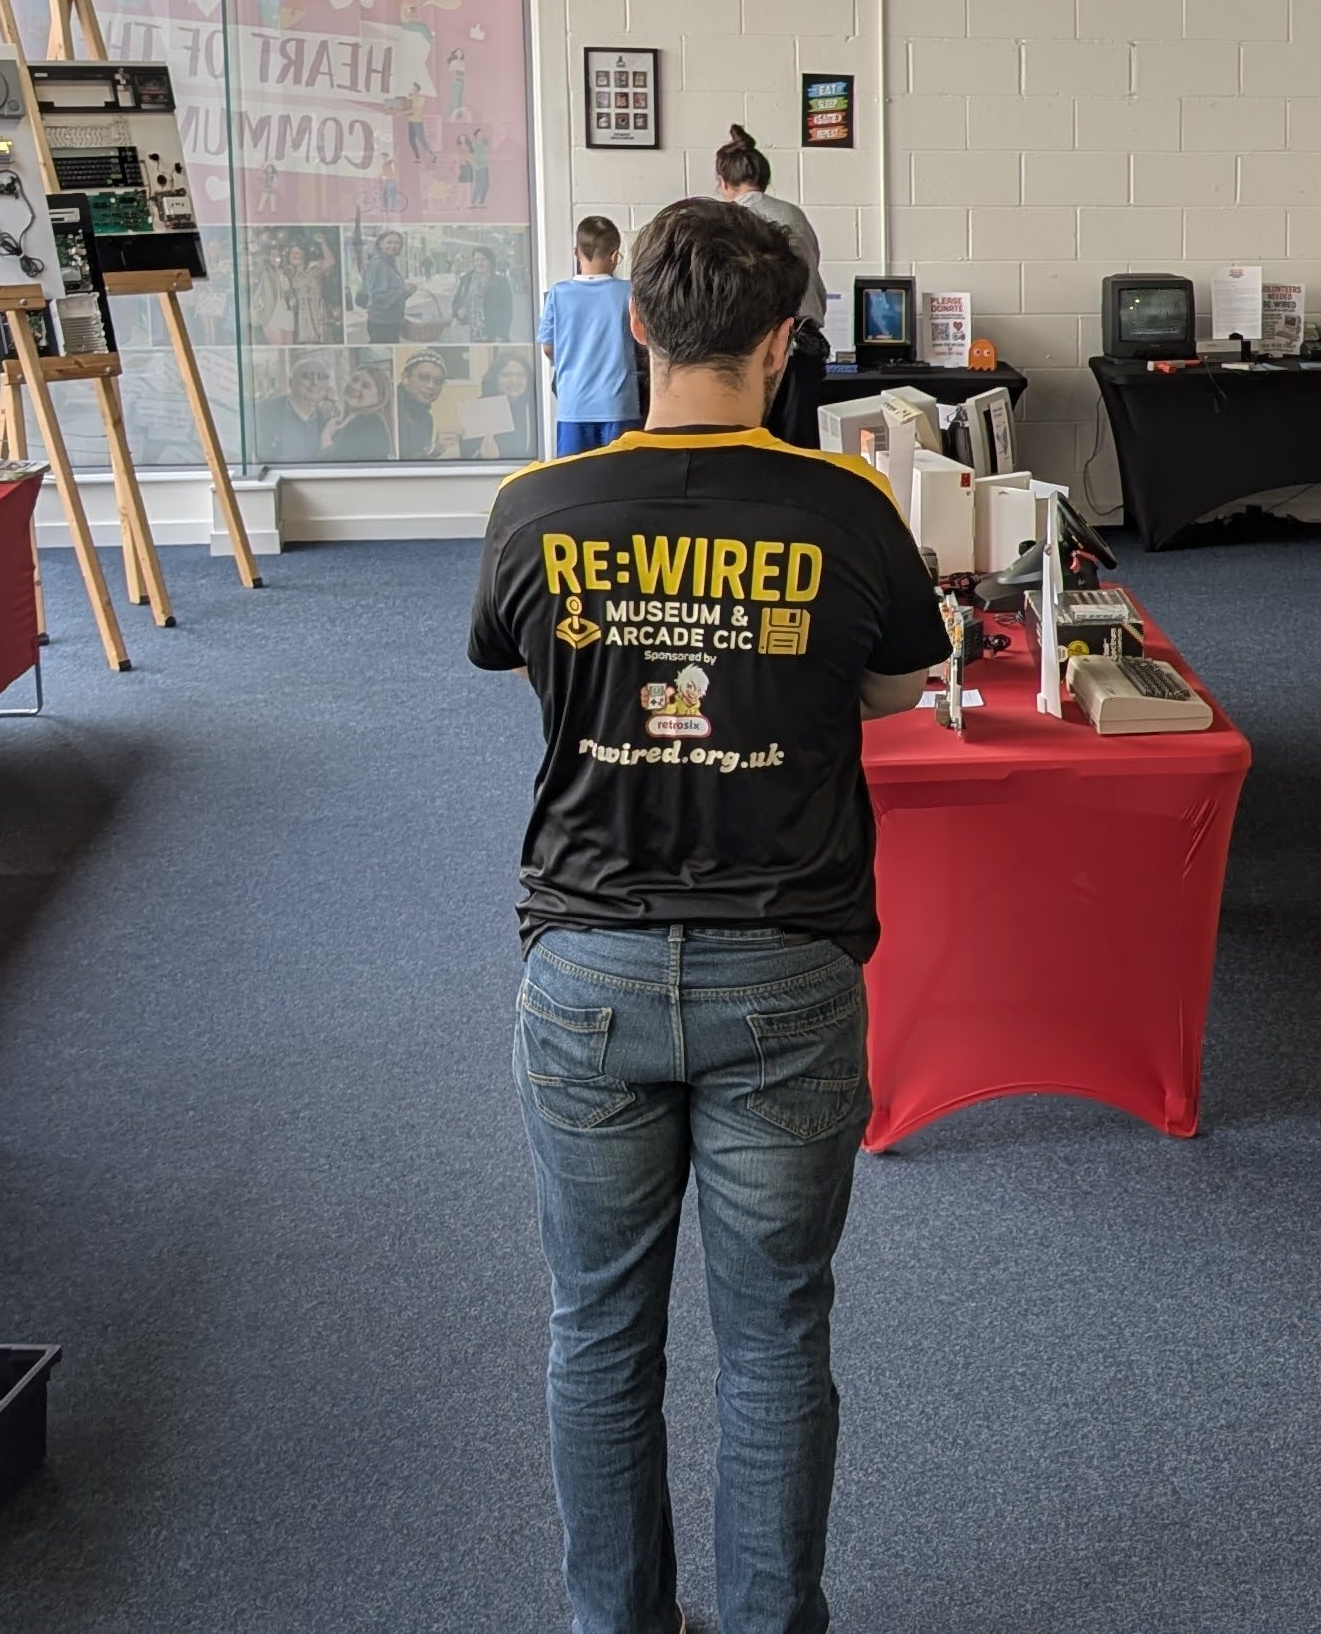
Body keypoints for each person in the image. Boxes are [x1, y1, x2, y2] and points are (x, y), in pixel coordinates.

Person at [470, 196, 950, 1634]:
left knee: (598, 1335)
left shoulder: (534, 508)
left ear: (632, 325)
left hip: (587, 967)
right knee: (775, 1339)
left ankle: (614, 1622)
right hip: (787, 974)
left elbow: (534, 684)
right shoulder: (847, 508)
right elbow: (892, 692)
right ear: (785, 341)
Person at [712, 127, 827, 445]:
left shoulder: (730, 219)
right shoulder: (795, 215)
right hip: (805, 346)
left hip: (754, 350)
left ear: (724, 182)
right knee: (799, 453)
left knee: (753, 452)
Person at [541, 215, 635, 457]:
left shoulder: (558, 294)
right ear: (614, 256)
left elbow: (548, 347)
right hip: (618, 405)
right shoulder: (629, 293)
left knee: (573, 483)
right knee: (620, 481)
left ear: (576, 253)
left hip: (573, 404)